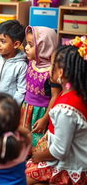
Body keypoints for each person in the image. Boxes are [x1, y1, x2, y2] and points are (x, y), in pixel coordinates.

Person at [26, 36, 87, 185]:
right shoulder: (72, 92)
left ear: (60, 73)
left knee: (21, 179)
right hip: (64, 157)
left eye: (52, 66)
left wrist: (38, 157)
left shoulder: (65, 110)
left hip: (68, 166)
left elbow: (59, 151)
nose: (49, 71)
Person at [20, 26, 61, 147]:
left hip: (41, 113)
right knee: (22, 138)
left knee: (36, 141)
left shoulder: (52, 71)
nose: (26, 48)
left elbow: (55, 97)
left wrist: (45, 119)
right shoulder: (31, 62)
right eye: (26, 44)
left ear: (44, 48)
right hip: (26, 108)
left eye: (31, 45)